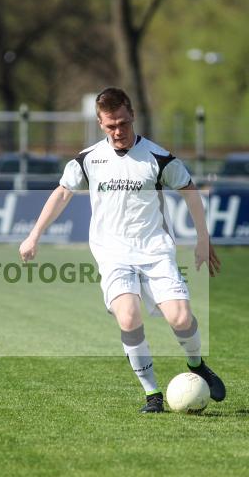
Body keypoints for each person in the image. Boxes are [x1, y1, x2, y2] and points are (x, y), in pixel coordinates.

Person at [19, 87, 224, 413]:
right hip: (113, 254)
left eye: (123, 123)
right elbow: (62, 193)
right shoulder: (88, 159)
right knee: (128, 317)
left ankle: (197, 364)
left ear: (133, 117)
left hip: (155, 252)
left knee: (181, 318)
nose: (118, 131)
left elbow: (189, 190)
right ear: (100, 124)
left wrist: (203, 238)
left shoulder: (158, 157)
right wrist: (34, 235)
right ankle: (152, 394)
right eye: (111, 125)